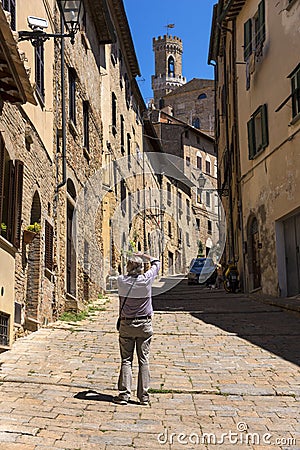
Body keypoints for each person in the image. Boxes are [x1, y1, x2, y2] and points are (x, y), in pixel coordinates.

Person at [114, 252, 160, 406]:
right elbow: (157, 263)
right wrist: (144, 255)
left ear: (128, 267)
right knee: (143, 360)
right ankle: (144, 397)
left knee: (126, 360)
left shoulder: (121, 281)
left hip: (127, 325)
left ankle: (124, 395)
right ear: (141, 268)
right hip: (144, 325)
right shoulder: (147, 279)